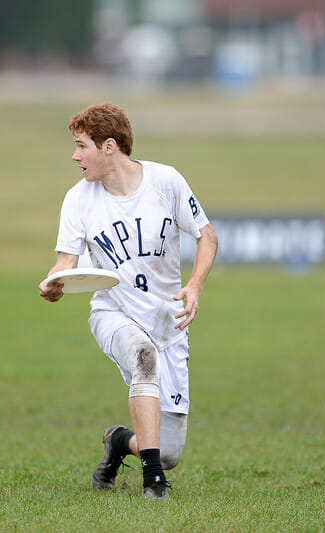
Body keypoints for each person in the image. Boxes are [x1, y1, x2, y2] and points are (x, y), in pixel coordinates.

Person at [39, 103, 218, 499]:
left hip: (167, 322)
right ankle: (154, 483)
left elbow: (207, 235)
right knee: (143, 358)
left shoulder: (165, 182)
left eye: (81, 146)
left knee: (168, 450)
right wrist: (54, 283)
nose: (75, 156)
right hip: (113, 313)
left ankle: (121, 442)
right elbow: (65, 263)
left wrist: (195, 285)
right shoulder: (78, 199)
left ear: (108, 147)